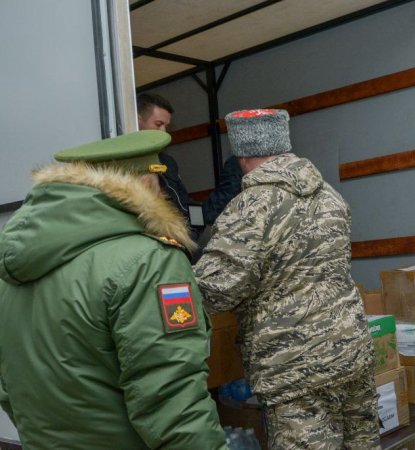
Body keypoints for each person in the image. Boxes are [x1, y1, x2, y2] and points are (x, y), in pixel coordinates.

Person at [0, 131, 226, 449]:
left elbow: (9, 387)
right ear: (145, 184)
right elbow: (172, 399)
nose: (163, 193)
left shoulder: (13, 268)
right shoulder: (148, 262)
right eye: (159, 181)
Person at [193, 109, 380, 449]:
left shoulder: (251, 206)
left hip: (296, 368)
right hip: (352, 352)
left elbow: (214, 290)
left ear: (243, 153)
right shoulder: (330, 197)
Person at [136, 92, 192, 223]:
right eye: (158, 124)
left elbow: (183, 202)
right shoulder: (122, 161)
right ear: (138, 121)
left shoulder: (168, 162)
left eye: (166, 126)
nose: (163, 132)